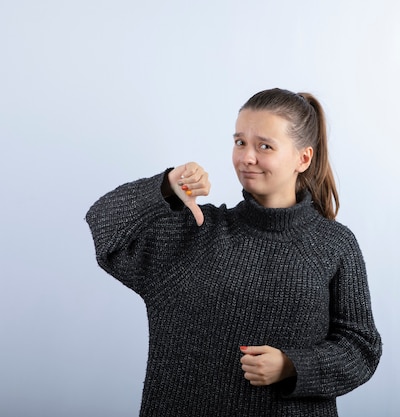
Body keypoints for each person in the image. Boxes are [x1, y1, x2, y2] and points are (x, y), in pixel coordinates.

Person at [86, 88, 382, 416]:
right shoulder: (196, 231)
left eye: (264, 146)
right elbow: (104, 227)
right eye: (240, 142)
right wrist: (166, 186)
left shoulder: (334, 245)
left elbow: (361, 348)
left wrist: (293, 366)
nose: (246, 157)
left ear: (303, 158)